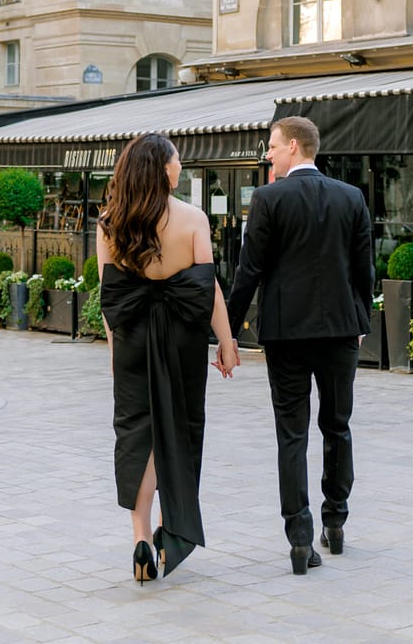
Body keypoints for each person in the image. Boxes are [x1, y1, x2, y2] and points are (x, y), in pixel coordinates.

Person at [218, 116, 374, 575]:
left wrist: (226, 333)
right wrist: (360, 319)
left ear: (292, 146)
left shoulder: (268, 199)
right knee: (337, 425)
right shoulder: (351, 197)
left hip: (286, 334)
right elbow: (363, 268)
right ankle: (337, 520)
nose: (268, 154)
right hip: (341, 331)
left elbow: (249, 271)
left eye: (271, 146)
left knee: (292, 433)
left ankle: (300, 538)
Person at [97, 132, 238, 585]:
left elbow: (110, 300)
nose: (180, 167)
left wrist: (115, 351)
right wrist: (228, 342)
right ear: (161, 168)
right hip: (182, 338)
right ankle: (172, 528)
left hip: (134, 335)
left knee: (137, 430)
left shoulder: (109, 223)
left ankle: (140, 535)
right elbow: (209, 287)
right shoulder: (192, 218)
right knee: (177, 425)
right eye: (177, 161)